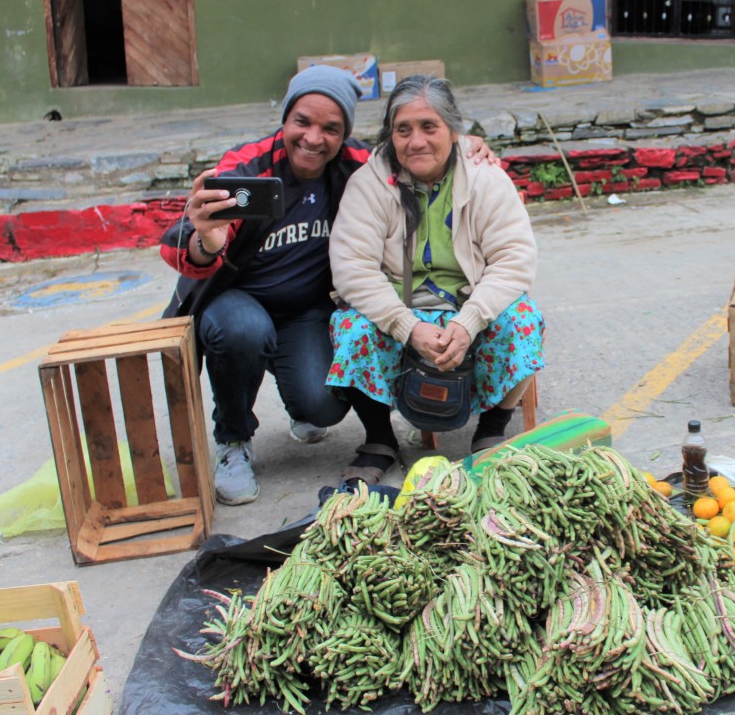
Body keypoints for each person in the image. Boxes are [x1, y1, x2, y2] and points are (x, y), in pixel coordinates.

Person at [160, 66, 492, 505]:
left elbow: (411, 149)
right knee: (243, 333)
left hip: (305, 312)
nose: (314, 138)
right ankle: (233, 438)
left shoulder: (352, 166)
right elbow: (177, 245)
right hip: (237, 303)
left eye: (330, 128)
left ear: (344, 134)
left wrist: (467, 146)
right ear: (286, 118)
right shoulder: (248, 167)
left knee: (323, 408)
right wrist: (207, 240)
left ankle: (291, 385)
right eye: (303, 121)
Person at [327, 75, 545, 485]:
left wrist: (470, 320)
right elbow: (353, 268)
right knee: (351, 327)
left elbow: (513, 259)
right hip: (399, 309)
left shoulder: (485, 178)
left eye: (430, 127)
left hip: (468, 303)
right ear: (390, 135)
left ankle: (491, 430)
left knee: (522, 320)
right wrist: (407, 326)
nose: (416, 141)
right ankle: (379, 439)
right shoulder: (369, 183)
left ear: (453, 130)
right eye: (403, 129)